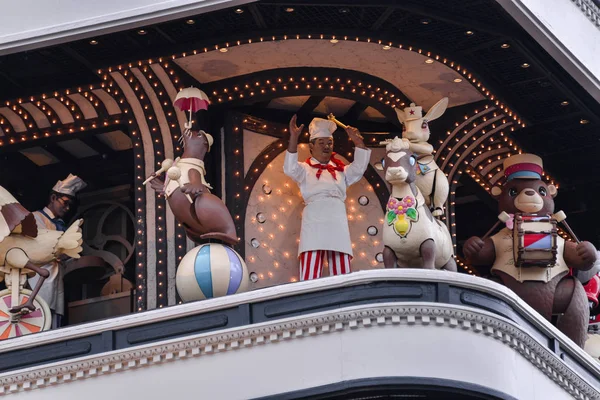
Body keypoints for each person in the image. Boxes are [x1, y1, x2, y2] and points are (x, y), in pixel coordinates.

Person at [284, 115, 371, 281]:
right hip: (314, 223)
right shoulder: (304, 169)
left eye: (329, 143)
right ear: (311, 146)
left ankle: (344, 302)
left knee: (342, 272)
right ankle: (308, 302)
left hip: (337, 222)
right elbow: (289, 168)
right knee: (310, 269)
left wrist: (358, 143)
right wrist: (293, 137)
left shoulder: (341, 170)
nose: (326, 147)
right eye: (321, 143)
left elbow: (359, 168)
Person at [28, 174, 86, 328]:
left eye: (69, 206)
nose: (67, 209)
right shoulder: (36, 218)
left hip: (57, 276)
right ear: (53, 198)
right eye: (65, 203)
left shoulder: (61, 224)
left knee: (55, 315)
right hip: (40, 275)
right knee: (40, 312)